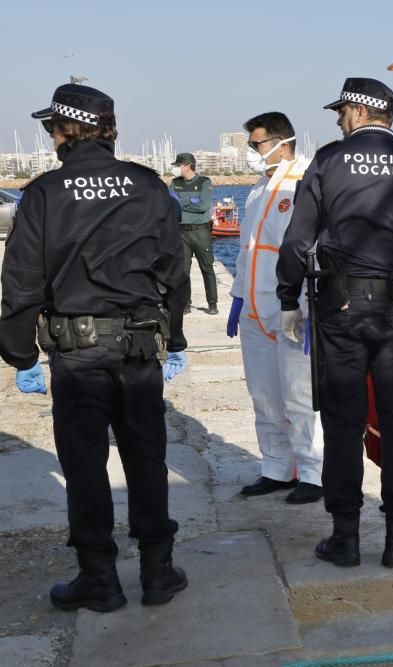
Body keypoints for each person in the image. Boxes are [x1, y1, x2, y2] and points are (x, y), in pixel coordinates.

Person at [0, 83, 190, 612]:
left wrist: (18, 355)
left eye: (50, 129)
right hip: (138, 347)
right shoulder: (149, 186)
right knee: (146, 457)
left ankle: (100, 580)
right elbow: (174, 271)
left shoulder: (42, 193)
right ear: (107, 130)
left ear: (63, 131)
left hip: (77, 352)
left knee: (84, 463)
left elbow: (20, 284)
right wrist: (174, 337)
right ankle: (157, 571)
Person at [276, 78, 393, 569]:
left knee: (342, 423)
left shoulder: (326, 162)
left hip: (338, 310)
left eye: (341, 112)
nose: (338, 119)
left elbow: (298, 241)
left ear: (360, 113)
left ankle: (344, 539)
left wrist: (287, 299)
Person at [229, 111, 323, 504]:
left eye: (257, 144)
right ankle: (276, 468)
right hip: (254, 306)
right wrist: (237, 297)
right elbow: (248, 252)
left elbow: (313, 252)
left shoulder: (305, 184)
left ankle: (315, 474)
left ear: (282, 144)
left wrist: (309, 310)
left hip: (292, 309)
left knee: (300, 398)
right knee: (264, 395)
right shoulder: (258, 189)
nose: (252, 152)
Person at [170, 152, 218, 314]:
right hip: (181, 232)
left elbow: (203, 206)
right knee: (183, 271)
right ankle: (186, 304)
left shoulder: (205, 182)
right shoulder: (175, 183)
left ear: (187, 166)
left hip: (201, 231)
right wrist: (191, 201)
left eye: (178, 165)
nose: (176, 169)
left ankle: (212, 304)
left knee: (207, 268)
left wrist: (181, 202)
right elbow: (171, 204)